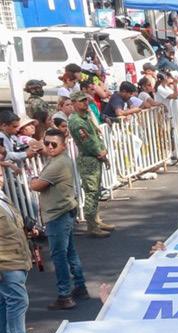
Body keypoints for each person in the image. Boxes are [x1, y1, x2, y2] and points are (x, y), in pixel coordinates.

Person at [28, 127, 86, 311]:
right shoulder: (60, 158)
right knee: (69, 252)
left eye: (54, 144)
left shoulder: (58, 164)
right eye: (47, 143)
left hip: (57, 215)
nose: (49, 147)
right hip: (63, 212)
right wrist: (40, 146)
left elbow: (36, 186)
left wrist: (32, 177)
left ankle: (65, 295)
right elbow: (47, 150)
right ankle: (80, 286)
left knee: (59, 256)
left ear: (63, 146)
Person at [67, 91, 113, 239]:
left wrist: (102, 150)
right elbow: (87, 142)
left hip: (94, 157)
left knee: (96, 191)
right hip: (88, 158)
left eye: (86, 100)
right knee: (91, 192)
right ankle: (92, 226)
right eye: (81, 101)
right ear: (74, 103)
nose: (85, 103)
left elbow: (96, 135)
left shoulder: (86, 116)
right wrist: (99, 152)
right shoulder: (76, 121)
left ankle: (96, 220)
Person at [0, 190, 38, 333]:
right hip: (6, 262)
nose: (1, 178)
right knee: (18, 301)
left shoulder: (3, 197)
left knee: (6, 302)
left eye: (2, 176)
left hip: (16, 258)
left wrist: (27, 231)